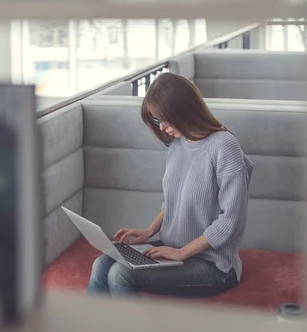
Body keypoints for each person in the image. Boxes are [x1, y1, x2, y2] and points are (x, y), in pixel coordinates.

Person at [87, 72, 254, 298]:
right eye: (157, 121)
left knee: (120, 274)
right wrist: (149, 231)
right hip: (172, 249)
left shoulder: (225, 146)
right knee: (102, 263)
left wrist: (182, 252)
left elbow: (231, 221)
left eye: (165, 119)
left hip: (213, 264)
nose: (162, 128)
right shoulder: (178, 144)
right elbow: (172, 201)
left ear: (184, 110)